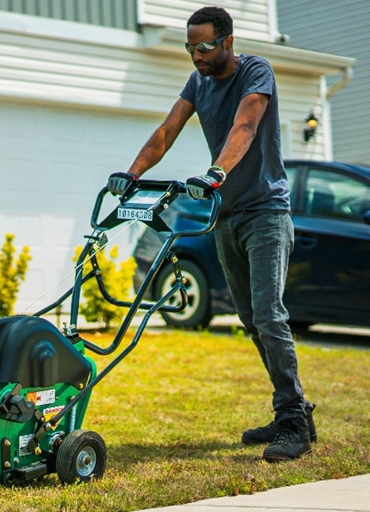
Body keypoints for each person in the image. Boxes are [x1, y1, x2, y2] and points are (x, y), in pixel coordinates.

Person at [105, 6, 316, 461]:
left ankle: (295, 422)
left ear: (228, 41)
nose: (196, 56)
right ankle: (290, 409)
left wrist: (216, 171)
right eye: (190, 48)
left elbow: (245, 125)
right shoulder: (196, 82)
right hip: (227, 215)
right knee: (250, 320)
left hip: (265, 210)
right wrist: (132, 172)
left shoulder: (255, 72)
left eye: (204, 47)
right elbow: (167, 130)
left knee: (268, 315)